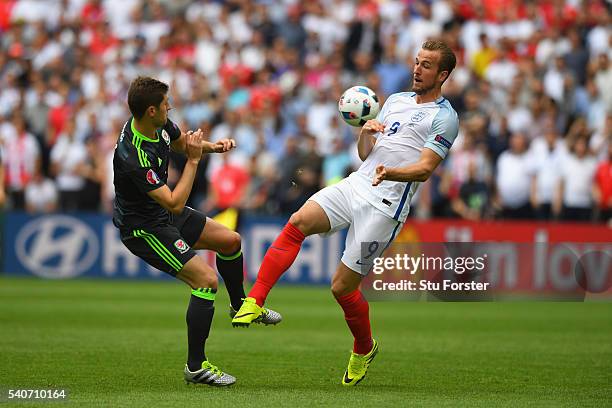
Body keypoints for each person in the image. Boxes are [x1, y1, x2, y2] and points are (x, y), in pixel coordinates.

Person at [232, 40, 459, 386]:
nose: (417, 69)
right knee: (298, 222)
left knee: (341, 288)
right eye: (417, 62)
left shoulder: (445, 118)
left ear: (443, 74)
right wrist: (364, 134)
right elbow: (368, 153)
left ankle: (364, 348)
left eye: (427, 65)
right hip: (357, 184)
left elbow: (426, 168)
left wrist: (390, 173)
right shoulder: (396, 101)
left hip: (386, 207)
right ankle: (255, 299)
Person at [112, 77, 280, 387]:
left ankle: (240, 306)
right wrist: (193, 161)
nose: (170, 107)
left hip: (159, 215)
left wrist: (213, 147)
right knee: (205, 280)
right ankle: (196, 366)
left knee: (230, 241)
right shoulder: (132, 156)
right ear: (151, 110)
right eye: (165, 104)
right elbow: (175, 203)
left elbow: (180, 143)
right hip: (144, 228)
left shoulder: (155, 124)